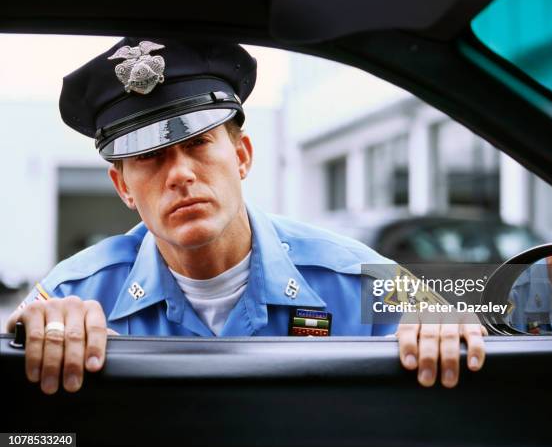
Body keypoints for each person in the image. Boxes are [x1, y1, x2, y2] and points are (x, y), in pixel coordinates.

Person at [6, 38, 486, 395]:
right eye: (150, 157)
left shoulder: (351, 276)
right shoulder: (75, 295)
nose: (180, 175)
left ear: (242, 157)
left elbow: (457, 322)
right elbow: (24, 436)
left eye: (197, 143)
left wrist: (445, 319)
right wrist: (36, 336)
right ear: (123, 187)